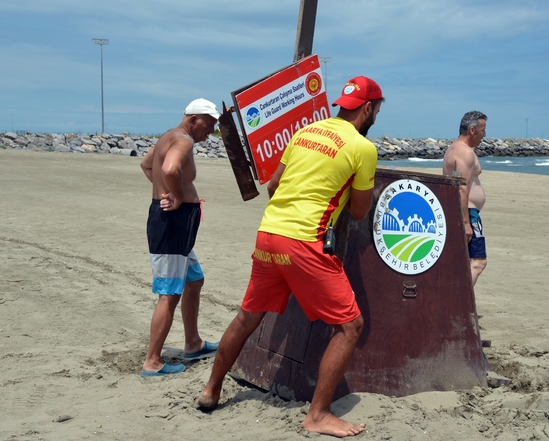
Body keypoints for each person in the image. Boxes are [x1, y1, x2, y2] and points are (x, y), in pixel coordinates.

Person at [197, 76, 384, 438]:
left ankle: (210, 390)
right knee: (351, 327)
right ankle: (317, 414)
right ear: (368, 109)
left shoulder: (306, 132)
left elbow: (272, 186)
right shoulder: (363, 148)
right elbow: (360, 213)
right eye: (376, 109)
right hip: (305, 241)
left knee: (246, 317)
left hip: (269, 235)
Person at [138, 98, 222, 377]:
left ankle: (193, 343)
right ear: (192, 119)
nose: (210, 131)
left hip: (175, 224)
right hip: (171, 224)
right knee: (169, 293)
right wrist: (174, 196)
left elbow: (146, 165)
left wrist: (167, 191)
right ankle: (152, 361)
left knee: (194, 280)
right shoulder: (183, 140)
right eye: (208, 125)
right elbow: (169, 169)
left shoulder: (169, 136)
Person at [442, 111, 488, 287]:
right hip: (467, 213)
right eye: (483, 130)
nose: (485, 135)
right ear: (472, 130)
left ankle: (456, 304)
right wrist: (466, 222)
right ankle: (458, 305)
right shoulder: (464, 152)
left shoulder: (452, 149)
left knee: (461, 263)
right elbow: (461, 187)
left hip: (458, 211)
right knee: (478, 262)